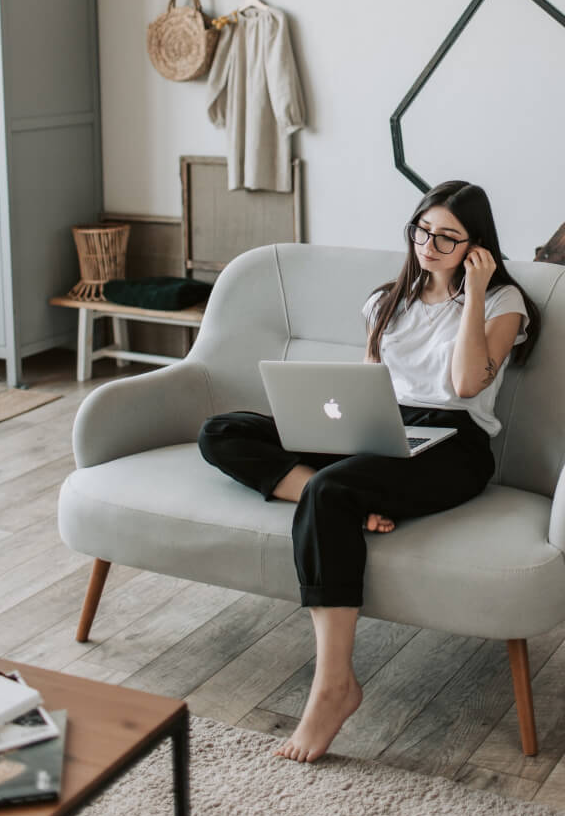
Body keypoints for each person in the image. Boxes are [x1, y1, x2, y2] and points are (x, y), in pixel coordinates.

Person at [197, 179, 541, 762]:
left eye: (448, 237)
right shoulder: (387, 301)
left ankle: (334, 686)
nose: (429, 245)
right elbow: (365, 383)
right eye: (422, 231)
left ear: (476, 246)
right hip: (380, 425)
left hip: (454, 442)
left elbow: (465, 384)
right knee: (222, 431)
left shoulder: (503, 302)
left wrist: (476, 291)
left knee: (335, 489)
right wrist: (335, 425)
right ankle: (336, 501)